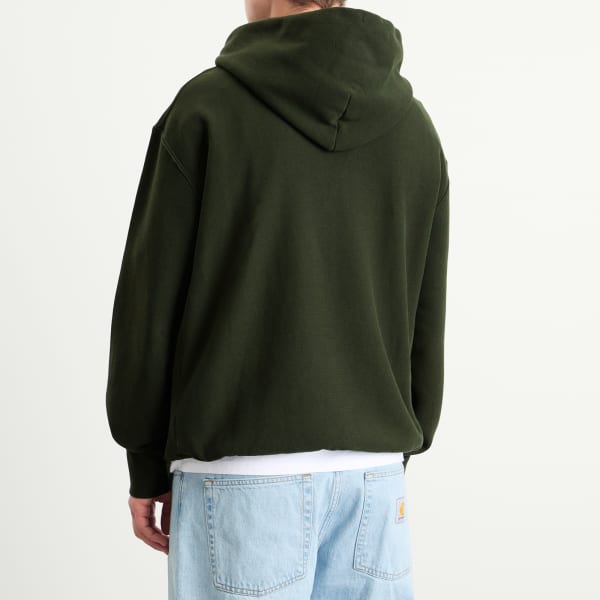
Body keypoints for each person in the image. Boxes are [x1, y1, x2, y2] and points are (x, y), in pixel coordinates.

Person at [105, 0, 450, 597]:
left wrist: (145, 458)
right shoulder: (414, 128)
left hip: (240, 474)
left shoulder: (207, 109)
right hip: (373, 477)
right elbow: (425, 312)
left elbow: (148, 305)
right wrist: (394, 440)